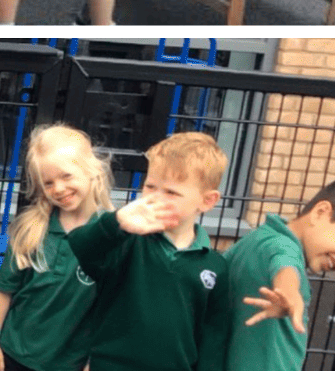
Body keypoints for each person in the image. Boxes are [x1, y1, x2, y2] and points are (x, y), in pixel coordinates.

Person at [66, 132, 231, 371]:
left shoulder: (215, 266)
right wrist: (118, 222)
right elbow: (82, 246)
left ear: (207, 201)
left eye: (171, 192)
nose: (155, 197)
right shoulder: (127, 241)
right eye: (150, 186)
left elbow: (212, 341)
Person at [0, 125, 114, 371]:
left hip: (70, 363)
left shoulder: (112, 236)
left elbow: (113, 310)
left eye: (67, 176)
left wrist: (94, 362)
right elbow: (3, 292)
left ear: (92, 170)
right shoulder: (29, 230)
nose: (58, 188)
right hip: (12, 355)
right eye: (48, 183)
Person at [224, 177, 335, 371]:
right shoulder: (280, 245)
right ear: (320, 212)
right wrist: (289, 293)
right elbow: (285, 264)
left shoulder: (258, 238)